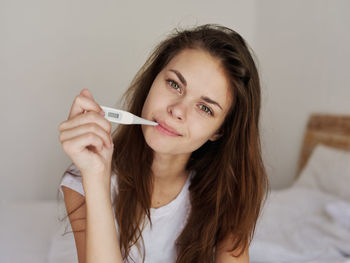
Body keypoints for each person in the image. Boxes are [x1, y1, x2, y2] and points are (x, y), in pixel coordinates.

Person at [57, 23, 269, 263]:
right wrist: (95, 177)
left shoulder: (229, 194)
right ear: (153, 81)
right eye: (174, 84)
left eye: (205, 108)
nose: (177, 110)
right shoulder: (81, 181)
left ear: (220, 131)